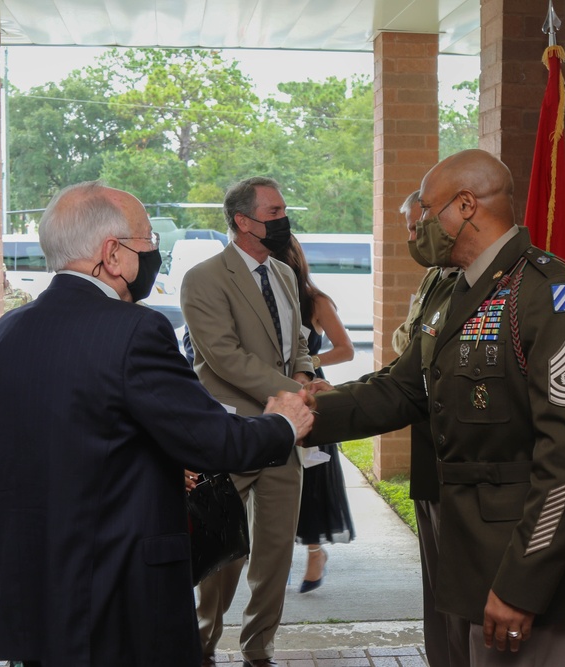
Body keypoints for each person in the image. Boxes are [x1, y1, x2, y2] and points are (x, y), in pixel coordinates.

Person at [0, 181, 315, 667]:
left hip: (30, 594)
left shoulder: (0, 335)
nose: (155, 253)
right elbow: (213, 440)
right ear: (112, 254)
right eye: (148, 240)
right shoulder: (135, 330)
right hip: (117, 598)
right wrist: (282, 422)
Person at [307, 149, 565, 666]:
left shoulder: (555, 295)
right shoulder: (450, 289)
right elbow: (405, 388)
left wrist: (524, 583)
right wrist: (308, 414)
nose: (420, 225)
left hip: (520, 559)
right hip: (465, 546)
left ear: (466, 206)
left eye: (427, 212)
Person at [181, 177, 316, 667]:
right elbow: (223, 357)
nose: (283, 220)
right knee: (223, 555)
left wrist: (303, 373)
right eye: (275, 211)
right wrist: (295, 394)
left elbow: (298, 340)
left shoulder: (281, 273)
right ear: (243, 221)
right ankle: (201, 644)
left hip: (284, 437)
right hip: (232, 435)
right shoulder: (203, 278)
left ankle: (259, 648)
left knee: (276, 552)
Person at [392, 190, 470, 667]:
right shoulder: (435, 278)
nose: (410, 235)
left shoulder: (481, 281)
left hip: (463, 460)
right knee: (436, 584)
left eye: (413, 224)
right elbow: (407, 343)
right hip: (428, 444)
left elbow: (416, 345)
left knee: (461, 590)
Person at [272, 236, 356, 593]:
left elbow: (347, 349)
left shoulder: (316, 301)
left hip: (309, 397)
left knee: (313, 477)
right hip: (272, 395)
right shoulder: (260, 300)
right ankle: (274, 556)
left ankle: (314, 551)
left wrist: (308, 362)